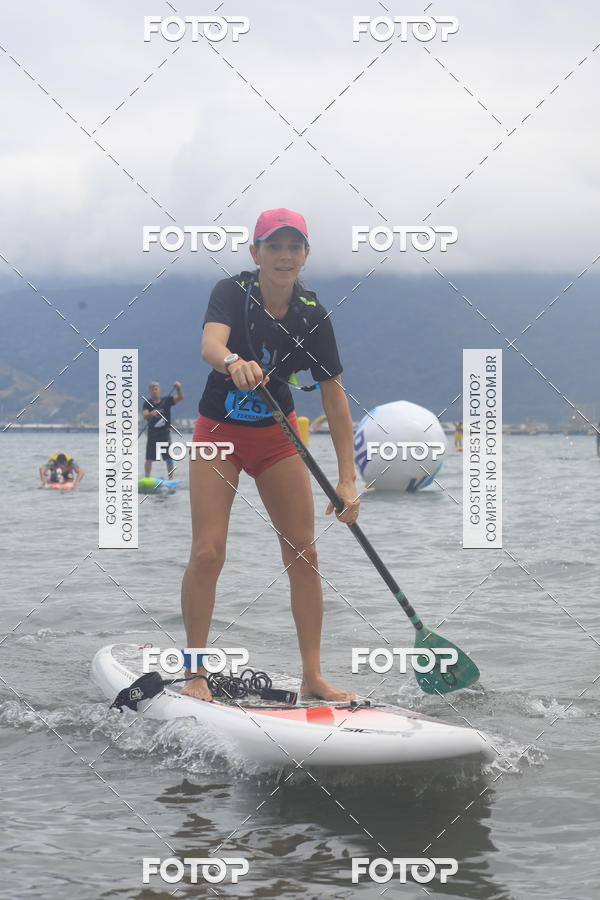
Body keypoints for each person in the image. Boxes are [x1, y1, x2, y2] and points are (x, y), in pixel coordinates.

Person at [181, 208, 360, 703]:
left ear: (305, 254)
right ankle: (196, 673)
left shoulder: (312, 315)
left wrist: (348, 480)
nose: (284, 256)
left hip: (277, 437)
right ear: (255, 252)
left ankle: (313, 678)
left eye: (294, 247)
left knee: (304, 553)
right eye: (274, 246)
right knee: (208, 550)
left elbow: (334, 395)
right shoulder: (232, 293)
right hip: (218, 433)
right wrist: (233, 362)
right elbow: (209, 344)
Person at [142, 381, 184, 479]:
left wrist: (178, 388)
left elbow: (180, 397)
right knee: (149, 458)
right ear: (149, 391)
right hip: (152, 434)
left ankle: (171, 478)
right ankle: (147, 478)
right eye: (152, 389)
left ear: (159, 390)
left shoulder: (166, 400)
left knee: (168, 458)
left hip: (164, 434)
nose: (154, 391)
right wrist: (151, 414)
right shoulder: (147, 403)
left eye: (156, 389)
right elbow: (145, 416)